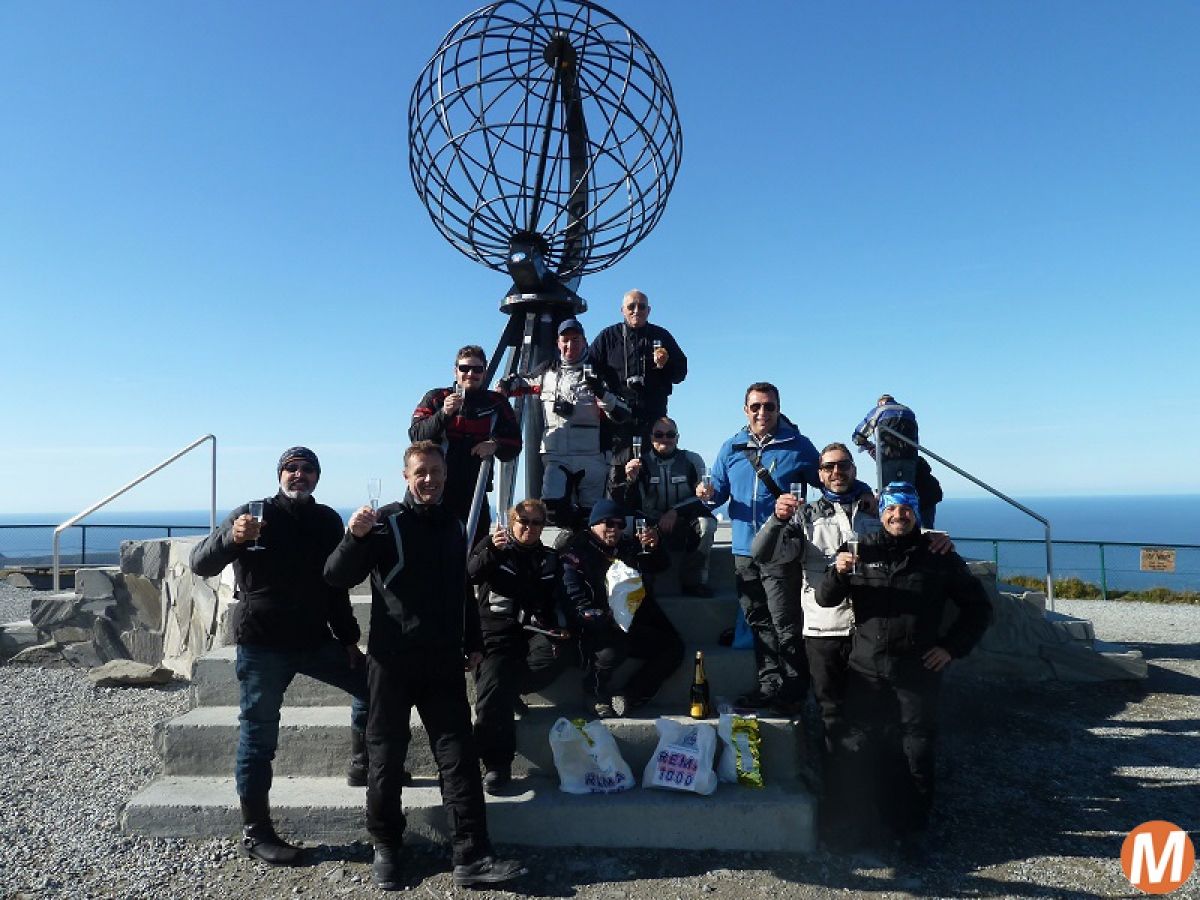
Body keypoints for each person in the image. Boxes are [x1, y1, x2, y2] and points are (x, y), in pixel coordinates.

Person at [323, 441, 524, 890]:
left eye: (436, 470)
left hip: (443, 664)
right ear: (406, 476)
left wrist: (473, 641)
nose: (429, 479)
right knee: (385, 759)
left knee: (459, 759)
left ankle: (471, 855)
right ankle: (387, 848)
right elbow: (335, 576)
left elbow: (462, 590)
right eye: (421, 472)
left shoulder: (454, 525)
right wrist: (353, 537)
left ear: (447, 474)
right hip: (391, 663)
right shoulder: (385, 523)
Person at [189, 447, 367, 866]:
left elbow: (335, 585)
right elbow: (200, 564)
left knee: (373, 686)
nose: (299, 475)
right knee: (258, 738)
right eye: (292, 468)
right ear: (280, 475)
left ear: (317, 478)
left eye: (307, 470)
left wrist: (347, 638)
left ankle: (362, 760)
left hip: (314, 639)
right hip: (263, 644)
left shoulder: (326, 521)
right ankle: (256, 832)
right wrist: (232, 538)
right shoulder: (250, 514)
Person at [815, 482, 991, 859]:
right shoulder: (861, 548)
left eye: (906, 508)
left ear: (916, 512)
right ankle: (860, 826)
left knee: (916, 750)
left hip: (917, 673)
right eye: (892, 509)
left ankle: (909, 832)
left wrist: (950, 648)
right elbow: (825, 598)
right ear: (881, 512)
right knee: (861, 749)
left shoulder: (938, 554)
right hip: (866, 670)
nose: (899, 515)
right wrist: (837, 571)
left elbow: (978, 609)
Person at [697, 382, 822, 713]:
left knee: (785, 623)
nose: (762, 412)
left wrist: (866, 495)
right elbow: (719, 493)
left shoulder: (798, 446)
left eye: (769, 406)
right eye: (756, 407)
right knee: (758, 622)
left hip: (780, 550)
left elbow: (831, 479)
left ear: (779, 408)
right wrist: (707, 495)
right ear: (745, 410)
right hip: (743, 550)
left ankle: (794, 690)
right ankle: (770, 686)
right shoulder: (732, 447)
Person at [750, 442, 881, 757]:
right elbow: (763, 555)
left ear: (854, 469)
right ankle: (837, 785)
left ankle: (871, 783)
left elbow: (908, 533)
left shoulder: (875, 509)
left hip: (870, 628)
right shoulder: (805, 516)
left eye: (843, 465)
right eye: (828, 467)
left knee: (873, 711)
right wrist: (777, 520)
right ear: (819, 475)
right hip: (824, 630)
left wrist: (933, 537)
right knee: (832, 713)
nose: (836, 472)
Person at [466, 498, 568, 794]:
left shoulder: (549, 558)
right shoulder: (494, 545)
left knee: (558, 655)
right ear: (512, 522)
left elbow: (556, 598)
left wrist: (563, 627)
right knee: (494, 687)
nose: (530, 527)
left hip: (534, 630)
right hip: (496, 631)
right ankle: (497, 764)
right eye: (524, 521)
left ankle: (510, 688)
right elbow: (470, 574)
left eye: (537, 523)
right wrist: (492, 552)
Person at [560, 498, 683, 718]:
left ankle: (629, 696)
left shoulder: (627, 545)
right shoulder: (577, 550)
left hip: (629, 618)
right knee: (615, 646)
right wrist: (603, 618)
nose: (615, 529)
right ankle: (594, 692)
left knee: (673, 647)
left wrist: (654, 547)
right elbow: (574, 598)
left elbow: (660, 565)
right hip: (594, 625)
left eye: (620, 524)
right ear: (594, 524)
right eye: (608, 524)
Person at [504, 318, 629, 528]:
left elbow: (622, 413)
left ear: (584, 341)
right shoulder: (546, 371)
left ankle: (586, 552)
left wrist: (601, 392)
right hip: (556, 456)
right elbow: (521, 383)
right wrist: (506, 384)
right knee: (552, 510)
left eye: (575, 339)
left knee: (592, 516)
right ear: (558, 342)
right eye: (565, 340)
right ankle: (568, 546)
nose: (570, 345)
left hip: (592, 456)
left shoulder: (601, 372)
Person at [409, 344, 522, 543]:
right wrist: (444, 414)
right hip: (436, 490)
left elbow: (515, 444)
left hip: (475, 492)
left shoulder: (496, 403)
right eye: (464, 369)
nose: (471, 374)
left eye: (477, 369)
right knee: (432, 548)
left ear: (484, 372)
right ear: (455, 371)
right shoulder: (436, 398)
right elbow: (416, 435)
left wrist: (495, 444)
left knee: (475, 550)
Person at [608, 415, 717, 597]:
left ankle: (693, 581)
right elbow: (624, 502)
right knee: (626, 526)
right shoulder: (640, 463)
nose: (665, 439)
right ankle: (640, 582)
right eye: (659, 435)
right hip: (650, 521)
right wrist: (629, 481)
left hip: (683, 521)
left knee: (707, 525)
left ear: (677, 437)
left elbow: (702, 499)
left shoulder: (692, 460)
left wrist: (676, 511)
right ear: (651, 438)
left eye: (670, 434)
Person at [588, 289, 687, 446]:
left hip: (653, 418)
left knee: (650, 467)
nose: (636, 311)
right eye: (631, 306)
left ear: (648, 310)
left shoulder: (662, 336)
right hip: (617, 418)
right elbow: (588, 368)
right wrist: (602, 395)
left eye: (641, 307)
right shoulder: (607, 337)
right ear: (622, 310)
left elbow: (680, 374)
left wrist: (666, 364)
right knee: (617, 468)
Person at [850, 394, 943, 526]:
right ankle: (911, 528)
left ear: (881, 402)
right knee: (907, 494)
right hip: (910, 459)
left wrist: (859, 441)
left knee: (889, 495)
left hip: (888, 458)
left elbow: (860, 432)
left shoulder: (880, 410)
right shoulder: (909, 411)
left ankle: (889, 528)